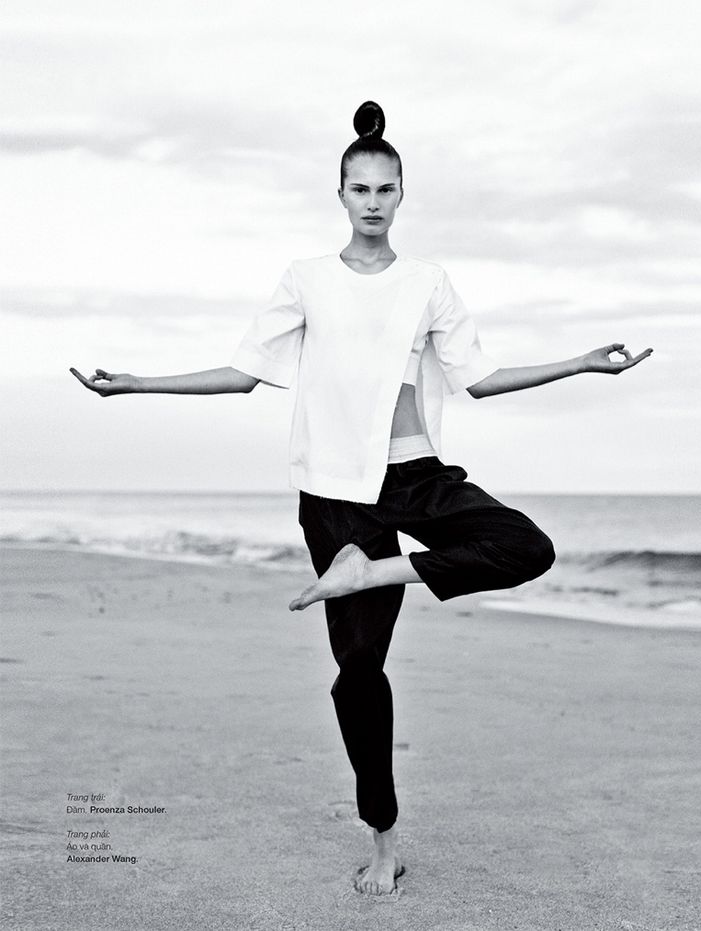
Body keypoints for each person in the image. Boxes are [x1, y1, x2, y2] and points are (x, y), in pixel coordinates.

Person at [71, 100, 653, 897]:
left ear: (401, 194)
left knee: (528, 546)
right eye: (359, 188)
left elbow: (479, 378)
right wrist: (137, 382)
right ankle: (383, 841)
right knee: (357, 676)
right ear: (339, 194)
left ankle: (376, 573)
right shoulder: (304, 279)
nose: (372, 201)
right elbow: (243, 371)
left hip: (417, 478)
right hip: (339, 501)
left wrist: (581, 362)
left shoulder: (428, 282)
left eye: (385, 189)